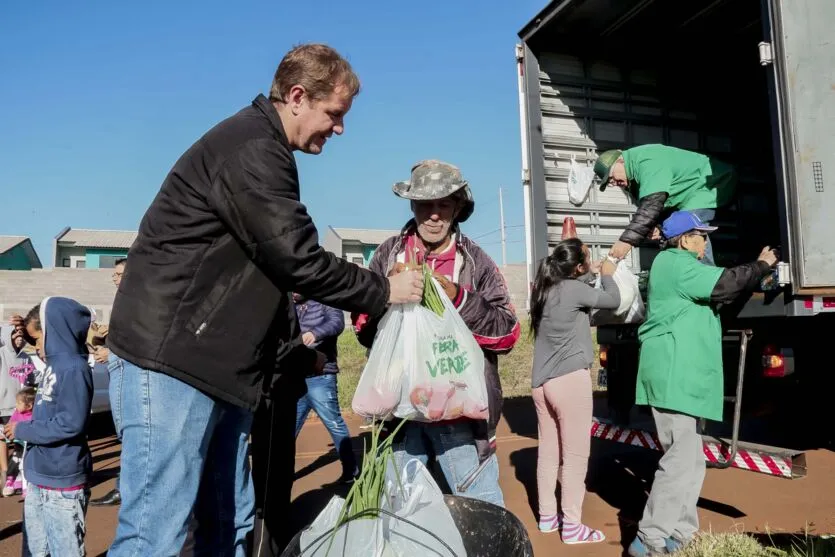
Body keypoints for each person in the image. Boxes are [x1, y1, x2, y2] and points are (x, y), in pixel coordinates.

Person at [105, 43, 423, 557]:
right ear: (298, 97)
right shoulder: (252, 149)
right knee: (154, 534)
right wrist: (384, 290)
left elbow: (262, 272)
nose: (339, 128)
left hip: (219, 369)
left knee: (229, 525)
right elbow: (295, 258)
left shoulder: (262, 150)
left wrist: (284, 347)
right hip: (172, 361)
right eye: (334, 114)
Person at [354, 159, 521, 507]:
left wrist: (458, 298)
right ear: (412, 205)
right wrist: (388, 292)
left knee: (481, 505)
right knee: (401, 507)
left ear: (457, 208)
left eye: (443, 204)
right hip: (398, 412)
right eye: (425, 204)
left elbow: (507, 332)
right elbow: (361, 326)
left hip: (460, 413)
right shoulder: (387, 255)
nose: (433, 215)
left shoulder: (476, 262)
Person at [627, 211, 778, 557]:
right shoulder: (677, 265)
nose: (705, 242)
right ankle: (648, 539)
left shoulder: (676, 263)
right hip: (673, 375)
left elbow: (722, 290)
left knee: (690, 460)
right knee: (679, 460)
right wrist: (761, 265)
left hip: (681, 375)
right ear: (684, 240)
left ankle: (679, 534)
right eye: (700, 235)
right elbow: (724, 283)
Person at [529, 238, 620, 544]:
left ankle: (547, 519)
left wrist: (587, 272)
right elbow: (613, 300)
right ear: (578, 266)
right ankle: (572, 526)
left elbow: (576, 290)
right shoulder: (575, 289)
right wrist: (607, 272)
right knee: (576, 456)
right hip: (569, 382)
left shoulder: (545, 289)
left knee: (549, 453)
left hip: (541, 384)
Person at [6, 298, 94, 557]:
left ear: (55, 333)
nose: (37, 347)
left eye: (38, 339)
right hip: (38, 476)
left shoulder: (74, 369)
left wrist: (23, 430)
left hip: (61, 484)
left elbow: (70, 424)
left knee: (63, 551)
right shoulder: (55, 365)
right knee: (35, 550)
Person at [594, 144, 736, 266]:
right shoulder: (631, 178)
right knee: (671, 232)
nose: (614, 183)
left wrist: (625, 242)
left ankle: (708, 283)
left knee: (688, 229)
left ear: (620, 161)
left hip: (709, 182)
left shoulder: (648, 161)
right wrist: (658, 227)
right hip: (686, 195)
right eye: (609, 183)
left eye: (612, 177)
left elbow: (651, 206)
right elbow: (655, 208)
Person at [293, 294, 358, 484]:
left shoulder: (325, 300)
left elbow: (337, 322)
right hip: (295, 377)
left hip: (321, 376)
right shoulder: (289, 304)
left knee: (334, 424)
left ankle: (351, 471)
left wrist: (315, 333)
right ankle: (281, 474)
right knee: (287, 429)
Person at [89, 256, 126, 507]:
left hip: (127, 375)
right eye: (114, 274)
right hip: (119, 373)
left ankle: (124, 489)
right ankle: (124, 487)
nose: (114, 278)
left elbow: (142, 344)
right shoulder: (124, 302)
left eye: (119, 274)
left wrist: (110, 353)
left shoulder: (137, 301)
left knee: (128, 434)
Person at [0, 317, 35, 488]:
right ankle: (6, 472)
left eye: (21, 334)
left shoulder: (26, 357)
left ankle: (14, 475)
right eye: (15, 334)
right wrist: (9, 325)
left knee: (20, 442)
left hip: (20, 408)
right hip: (4, 405)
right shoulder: (1, 353)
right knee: (4, 439)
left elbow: (31, 380)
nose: (19, 337)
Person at [2, 387, 35, 497]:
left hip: (30, 444)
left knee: (27, 463)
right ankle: (10, 480)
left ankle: (27, 485)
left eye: (18, 403)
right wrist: (6, 433)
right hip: (19, 444)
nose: (16, 405)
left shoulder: (33, 415)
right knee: (15, 460)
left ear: (29, 406)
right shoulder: (17, 413)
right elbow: (10, 425)